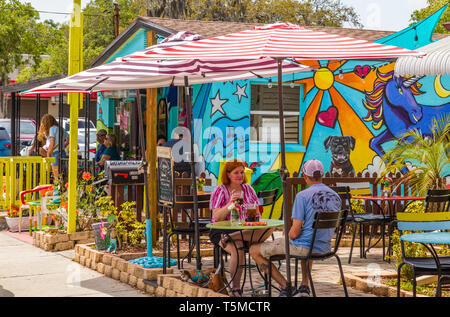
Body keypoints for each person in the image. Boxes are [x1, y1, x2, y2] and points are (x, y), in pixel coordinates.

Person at [249, 159, 341, 297]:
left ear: (304, 176)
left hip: (304, 248)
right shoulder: (336, 196)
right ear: (322, 175)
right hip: (325, 247)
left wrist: (287, 234)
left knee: (253, 250)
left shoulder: (302, 196)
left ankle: (286, 286)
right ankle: (304, 286)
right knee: (307, 239)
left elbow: (294, 234)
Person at [209, 159, 273, 297]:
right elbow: (217, 217)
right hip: (221, 230)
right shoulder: (220, 190)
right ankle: (236, 288)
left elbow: (257, 212)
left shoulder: (248, 189)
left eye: (242, 172)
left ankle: (233, 238)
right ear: (228, 174)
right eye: (236, 172)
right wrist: (230, 204)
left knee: (270, 228)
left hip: (244, 229)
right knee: (237, 246)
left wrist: (254, 217)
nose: (240, 175)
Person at [37, 114, 68, 179]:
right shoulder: (61, 128)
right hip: (62, 152)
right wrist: (62, 145)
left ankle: (57, 187)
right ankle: (62, 187)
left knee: (56, 175)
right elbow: (68, 140)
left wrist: (48, 153)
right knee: (61, 174)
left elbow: (52, 142)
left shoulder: (52, 129)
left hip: (55, 153)